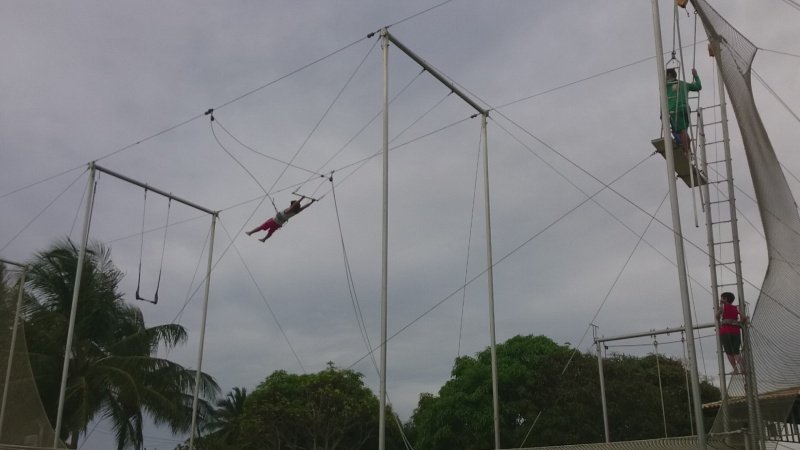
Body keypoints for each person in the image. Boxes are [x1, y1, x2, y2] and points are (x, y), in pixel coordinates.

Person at [666, 67, 702, 156]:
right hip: (685, 108)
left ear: (669, 75)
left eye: (665, 75)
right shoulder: (684, 84)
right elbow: (698, 87)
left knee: (681, 131)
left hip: (675, 110)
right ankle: (688, 150)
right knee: (683, 131)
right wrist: (695, 75)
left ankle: (686, 152)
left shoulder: (666, 85)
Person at [246, 197, 315, 242]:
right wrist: (312, 202)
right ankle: (263, 239)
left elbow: (297, 206)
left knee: (261, 227)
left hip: (273, 221)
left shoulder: (290, 210)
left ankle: (251, 233)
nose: (298, 204)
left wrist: (301, 198)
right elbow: (304, 207)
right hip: (278, 223)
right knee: (270, 232)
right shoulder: (295, 211)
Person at [718, 291, 746, 374]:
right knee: (736, 352)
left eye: (722, 298)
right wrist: (739, 323)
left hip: (725, 332)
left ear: (725, 299)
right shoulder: (735, 308)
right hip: (736, 331)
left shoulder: (723, 308)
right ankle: (743, 368)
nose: (721, 299)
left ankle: (735, 369)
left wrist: (720, 305)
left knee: (729, 352)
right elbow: (744, 318)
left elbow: (717, 316)